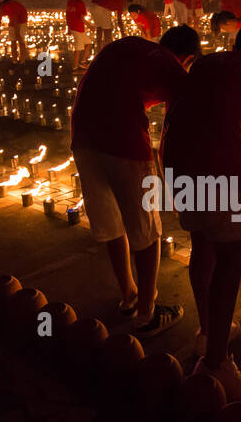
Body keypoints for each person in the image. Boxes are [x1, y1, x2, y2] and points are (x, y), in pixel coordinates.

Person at [161, 21, 241, 399]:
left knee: (203, 242)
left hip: (174, 157)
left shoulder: (206, 63)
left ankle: (206, 333)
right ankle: (215, 363)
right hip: (216, 163)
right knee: (233, 256)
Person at [71, 26, 202, 338]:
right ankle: (146, 316)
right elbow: (178, 128)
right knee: (146, 231)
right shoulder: (174, 70)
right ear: (187, 58)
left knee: (111, 221)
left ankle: (129, 296)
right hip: (124, 143)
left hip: (83, 137)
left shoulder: (127, 45)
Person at [66, 0, 90, 72]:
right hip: (78, 28)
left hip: (74, 27)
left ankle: (82, 62)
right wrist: (90, 26)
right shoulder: (80, 3)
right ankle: (75, 66)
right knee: (78, 47)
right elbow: (81, 17)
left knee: (88, 43)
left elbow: (67, 16)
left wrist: (68, 28)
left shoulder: (70, 2)